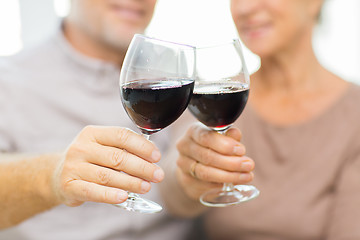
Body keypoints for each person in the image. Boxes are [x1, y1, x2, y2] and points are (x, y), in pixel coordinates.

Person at [0, 0, 257, 239]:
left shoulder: (176, 70)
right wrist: (52, 176)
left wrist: (193, 174)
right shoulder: (9, 82)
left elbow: (174, 182)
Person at [165, 0, 360, 239]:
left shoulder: (354, 117)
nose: (245, 8)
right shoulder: (218, 95)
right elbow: (172, 191)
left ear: (313, 4)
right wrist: (189, 176)